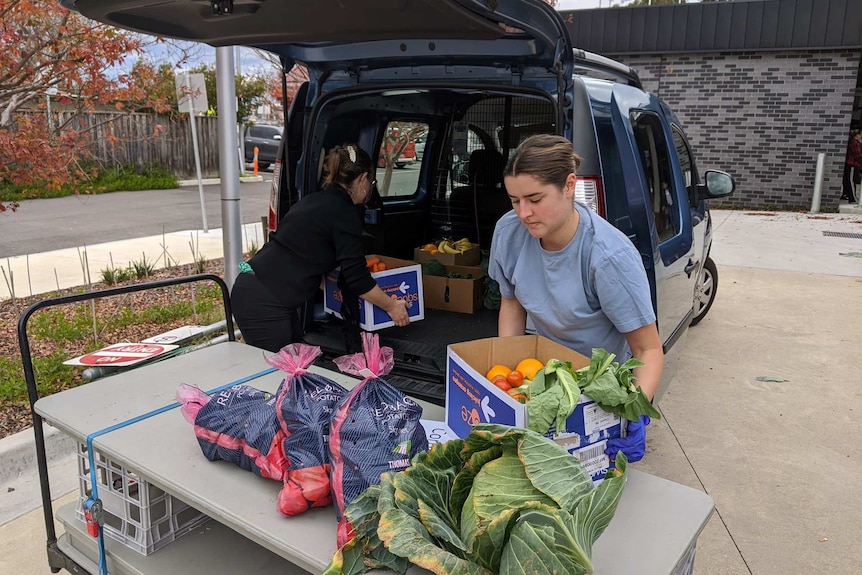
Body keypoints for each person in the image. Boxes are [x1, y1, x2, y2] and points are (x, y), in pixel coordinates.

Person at [488, 134, 664, 463]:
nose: (524, 213)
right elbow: (511, 304)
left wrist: (635, 413)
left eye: (535, 198)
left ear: (569, 186)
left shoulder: (608, 257)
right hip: (541, 375)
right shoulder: (509, 232)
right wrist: (506, 379)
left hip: (597, 389)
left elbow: (647, 348)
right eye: (514, 200)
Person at [230, 143, 409, 352]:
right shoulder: (344, 213)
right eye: (371, 181)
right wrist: (391, 306)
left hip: (259, 291)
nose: (370, 187)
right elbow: (357, 277)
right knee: (278, 375)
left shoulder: (315, 201)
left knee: (296, 368)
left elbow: (307, 255)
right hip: (264, 302)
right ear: (362, 179)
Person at [841, 129, 862, 203]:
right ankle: (853, 198)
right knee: (852, 181)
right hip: (853, 164)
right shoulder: (855, 143)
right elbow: (858, 155)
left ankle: (846, 194)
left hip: (850, 164)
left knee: (848, 180)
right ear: (857, 135)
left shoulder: (852, 142)